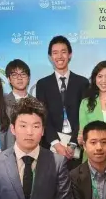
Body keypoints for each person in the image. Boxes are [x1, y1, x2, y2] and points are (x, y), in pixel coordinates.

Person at [35, 35, 89, 168]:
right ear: (50, 57)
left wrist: (72, 144)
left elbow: (84, 116)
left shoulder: (83, 83)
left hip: (77, 146)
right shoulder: (42, 84)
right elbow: (43, 116)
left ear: (70, 55)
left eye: (63, 52)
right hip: (51, 146)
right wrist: (56, 144)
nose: (59, 56)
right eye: (55, 53)